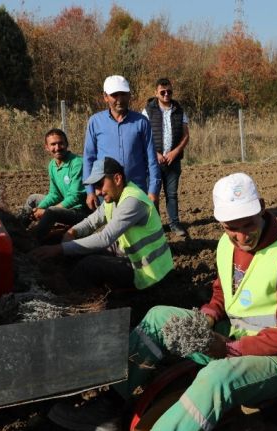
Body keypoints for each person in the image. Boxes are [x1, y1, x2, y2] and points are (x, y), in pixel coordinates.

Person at [47, 172, 277, 431]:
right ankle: (110, 405)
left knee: (216, 379)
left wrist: (230, 348)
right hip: (235, 338)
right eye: (231, 229)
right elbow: (224, 292)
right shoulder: (227, 245)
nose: (242, 236)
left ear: (261, 208)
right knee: (158, 318)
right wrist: (209, 315)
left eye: (248, 223)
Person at [31, 157, 173, 292]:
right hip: (127, 253)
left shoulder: (133, 201)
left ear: (117, 179)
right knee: (77, 252)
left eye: (100, 185)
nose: (97, 192)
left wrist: (59, 248)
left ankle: (68, 296)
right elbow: (91, 222)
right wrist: (72, 232)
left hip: (147, 271)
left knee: (89, 264)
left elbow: (105, 238)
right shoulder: (114, 197)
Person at [83, 74, 161, 210]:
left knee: (139, 229)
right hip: (107, 192)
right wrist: (90, 192)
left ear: (129, 95)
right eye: (115, 95)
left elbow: (151, 159)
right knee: (111, 229)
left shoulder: (141, 122)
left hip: (136, 190)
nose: (120, 99)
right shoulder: (95, 122)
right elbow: (88, 159)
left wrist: (153, 191)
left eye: (124, 94)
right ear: (105, 96)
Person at [142, 77, 190, 237]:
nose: (166, 94)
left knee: (172, 194)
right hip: (153, 162)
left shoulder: (180, 110)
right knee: (153, 195)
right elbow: (142, 137)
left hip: (173, 162)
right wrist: (155, 154)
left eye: (169, 91)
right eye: (162, 92)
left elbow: (186, 135)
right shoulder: (147, 111)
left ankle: (174, 224)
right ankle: (155, 226)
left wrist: (175, 152)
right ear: (156, 93)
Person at [23, 128, 89, 242]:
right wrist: (40, 208)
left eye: (60, 143)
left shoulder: (77, 163)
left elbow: (75, 197)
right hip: (64, 204)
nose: (57, 148)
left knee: (51, 212)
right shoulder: (52, 165)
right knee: (33, 199)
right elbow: (54, 194)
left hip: (79, 211)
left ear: (66, 144)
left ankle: (34, 241)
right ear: (46, 147)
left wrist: (45, 211)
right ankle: (19, 231)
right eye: (53, 144)